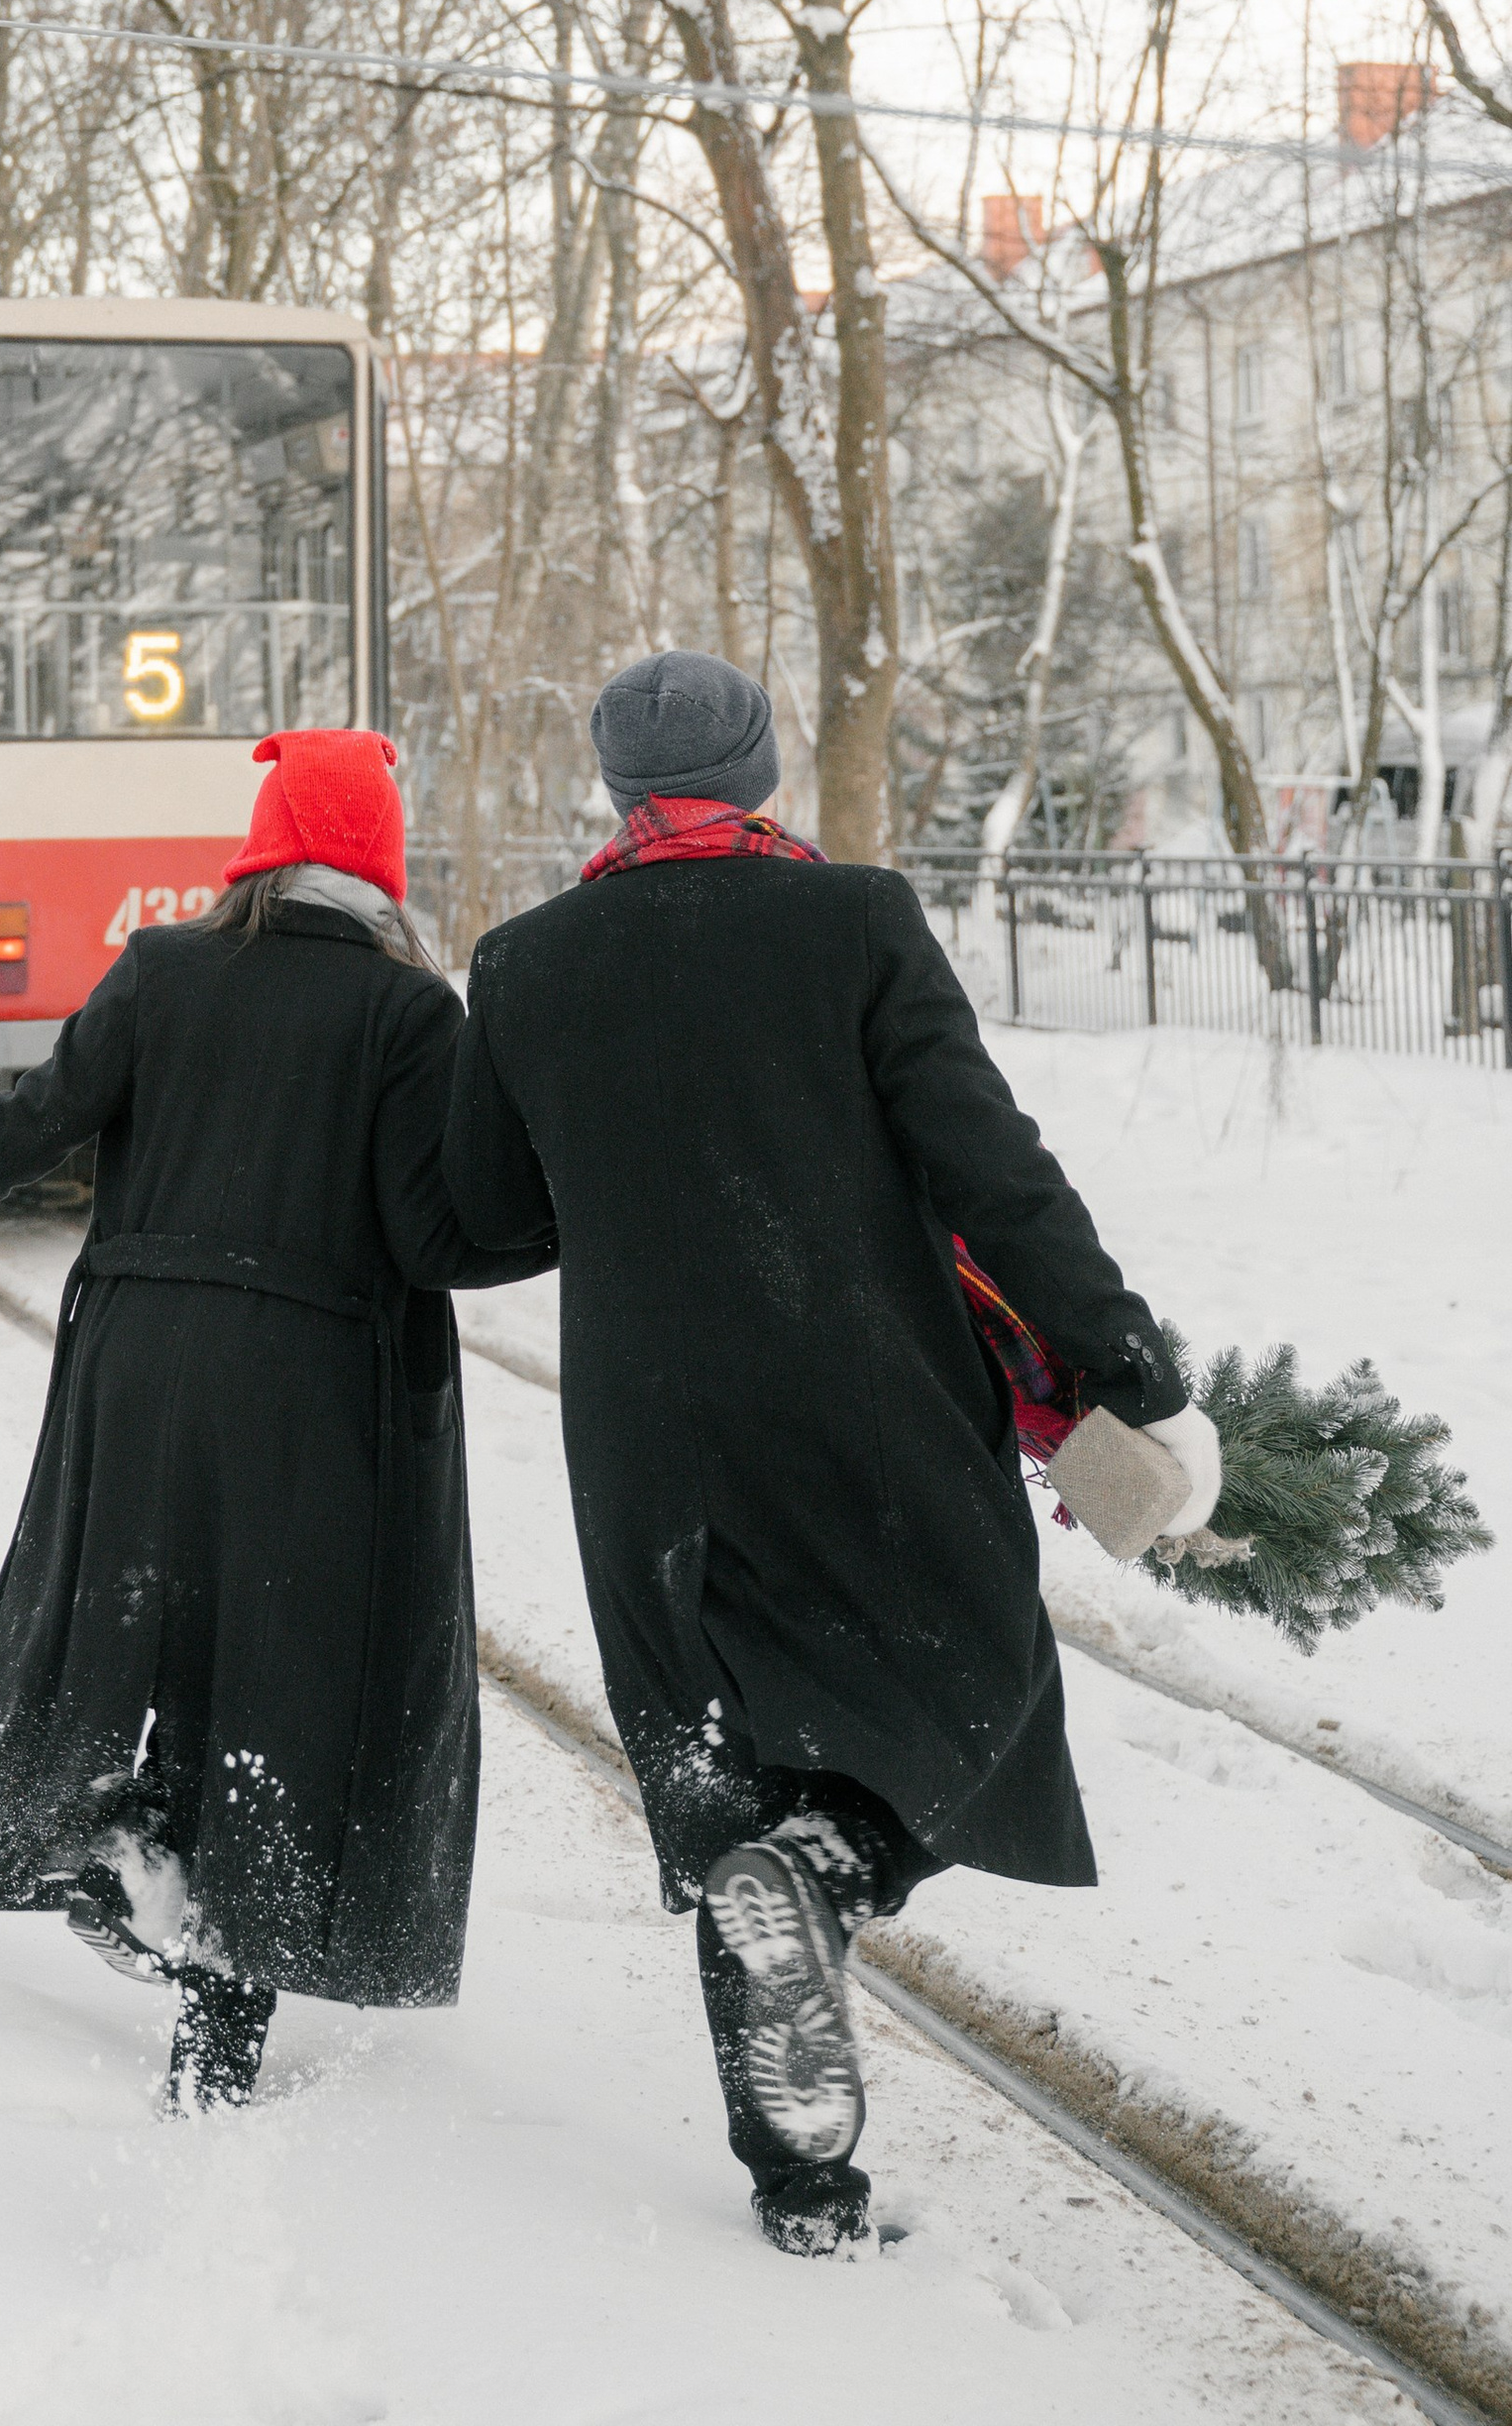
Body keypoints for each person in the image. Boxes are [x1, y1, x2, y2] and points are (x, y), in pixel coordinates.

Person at [437, 650, 1220, 2258]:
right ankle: (839, 1867)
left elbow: (479, 1224)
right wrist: (1122, 1360)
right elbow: (991, 1171)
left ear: (616, 788)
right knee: (967, 1682)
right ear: (762, 770)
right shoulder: (854, 924)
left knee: (733, 1786)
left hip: (653, 1447)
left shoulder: (528, 964)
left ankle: (804, 2191)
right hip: (865, 1405)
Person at [0, 726, 554, 2112]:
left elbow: (15, 1136)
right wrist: (573, 1203)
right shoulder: (406, 1013)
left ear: (260, 848)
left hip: (136, 1376)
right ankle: (215, 2040)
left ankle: (114, 1834)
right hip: (311, 1405)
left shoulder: (162, 974)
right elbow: (434, 1243)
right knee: (265, 1686)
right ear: (379, 863)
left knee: (122, 1629)